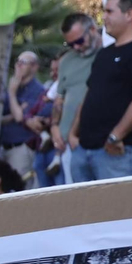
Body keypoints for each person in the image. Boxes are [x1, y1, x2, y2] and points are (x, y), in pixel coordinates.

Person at [68, 0, 132, 181]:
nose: (103, 17)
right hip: (83, 150)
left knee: (120, 211)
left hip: (118, 153)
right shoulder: (104, 54)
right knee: (81, 211)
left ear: (129, 14)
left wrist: (115, 136)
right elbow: (89, 95)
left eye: (109, 11)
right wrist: (72, 134)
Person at [50, 12, 100, 184]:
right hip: (68, 145)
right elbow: (59, 98)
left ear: (93, 29)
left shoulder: (108, 53)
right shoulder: (66, 61)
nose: (76, 47)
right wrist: (54, 126)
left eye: (79, 41)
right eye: (70, 44)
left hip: (99, 141)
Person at [0, 50, 49, 179]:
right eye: (17, 62)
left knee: (19, 189)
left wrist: (11, 94)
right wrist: (14, 112)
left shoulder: (38, 90)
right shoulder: (13, 86)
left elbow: (19, 117)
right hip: (2, 147)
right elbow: (0, 118)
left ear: (34, 67)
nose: (18, 66)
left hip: (21, 148)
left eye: (23, 63)